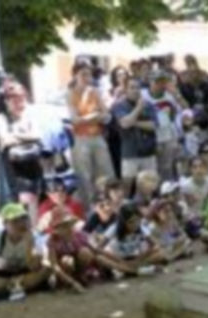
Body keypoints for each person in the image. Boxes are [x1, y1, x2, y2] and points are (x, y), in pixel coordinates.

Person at [46, 209, 131, 292]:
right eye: (64, 226)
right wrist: (72, 283)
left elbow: (98, 251)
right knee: (67, 260)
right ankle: (71, 283)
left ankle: (127, 269)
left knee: (88, 253)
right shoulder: (52, 242)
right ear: (57, 228)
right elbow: (55, 266)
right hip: (65, 274)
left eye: (69, 225)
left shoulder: (79, 235)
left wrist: (122, 262)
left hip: (81, 268)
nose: (68, 228)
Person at [67, 62, 116, 203]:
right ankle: (89, 210)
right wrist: (94, 116)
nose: (87, 77)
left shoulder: (94, 91)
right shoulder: (71, 93)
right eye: (83, 74)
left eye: (89, 74)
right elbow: (74, 120)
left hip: (98, 137)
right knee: (85, 177)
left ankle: (109, 204)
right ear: (75, 75)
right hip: (81, 139)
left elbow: (106, 116)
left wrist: (89, 118)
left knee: (106, 173)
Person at [0, 204, 50, 302]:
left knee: (46, 270)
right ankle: (15, 287)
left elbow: (35, 266)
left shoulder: (33, 237)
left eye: (24, 219)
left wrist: (29, 245)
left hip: (26, 272)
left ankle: (13, 288)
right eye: (15, 221)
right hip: (5, 275)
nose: (21, 224)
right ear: (5, 224)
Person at [111, 78, 159, 194]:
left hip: (148, 152)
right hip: (130, 152)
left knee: (148, 185)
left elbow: (154, 125)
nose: (135, 90)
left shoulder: (149, 105)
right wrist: (138, 108)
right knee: (127, 185)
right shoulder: (119, 106)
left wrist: (134, 122)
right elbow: (124, 124)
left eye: (138, 87)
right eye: (132, 87)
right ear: (126, 90)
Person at [0, 81, 44, 195]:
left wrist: (16, 136)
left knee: (36, 199)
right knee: (22, 202)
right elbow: (5, 140)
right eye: (15, 99)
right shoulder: (2, 118)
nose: (20, 102)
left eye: (22, 97)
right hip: (14, 171)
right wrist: (27, 137)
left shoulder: (29, 115)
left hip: (33, 166)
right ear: (7, 101)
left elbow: (37, 135)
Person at [144, 70, 186, 181]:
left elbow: (185, 109)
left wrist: (176, 94)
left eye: (163, 82)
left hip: (168, 136)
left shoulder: (170, 96)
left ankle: (166, 187)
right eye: (157, 82)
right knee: (152, 167)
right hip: (150, 136)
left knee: (167, 166)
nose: (160, 85)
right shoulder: (143, 95)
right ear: (151, 82)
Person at [104, 202, 166, 270]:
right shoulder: (114, 228)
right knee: (101, 259)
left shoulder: (140, 227)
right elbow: (99, 249)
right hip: (119, 260)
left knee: (160, 254)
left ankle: (133, 270)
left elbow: (155, 244)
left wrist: (138, 260)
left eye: (137, 220)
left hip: (136, 258)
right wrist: (120, 261)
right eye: (131, 222)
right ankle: (135, 269)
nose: (135, 224)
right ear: (123, 222)